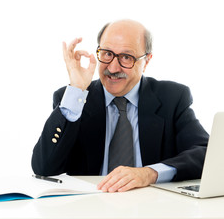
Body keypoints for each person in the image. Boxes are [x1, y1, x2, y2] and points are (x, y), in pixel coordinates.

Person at [31, 19, 209, 192]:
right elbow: (44, 167)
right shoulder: (73, 100)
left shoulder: (172, 98)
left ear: (146, 61)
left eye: (126, 57)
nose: (114, 68)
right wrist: (77, 89)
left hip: (152, 207)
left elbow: (207, 153)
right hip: (90, 207)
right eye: (107, 54)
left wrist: (150, 173)